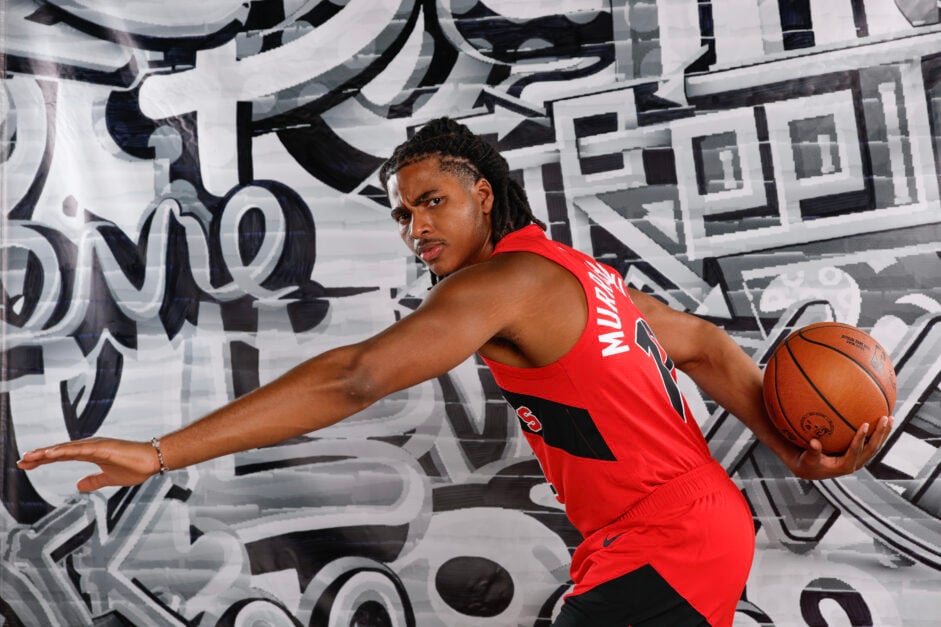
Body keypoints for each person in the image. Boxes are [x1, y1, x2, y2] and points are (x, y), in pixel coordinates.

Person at [17, 117, 893, 626]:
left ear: (484, 192)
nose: (414, 228)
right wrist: (789, 439)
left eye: (431, 201)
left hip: (666, 541)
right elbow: (698, 340)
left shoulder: (506, 283)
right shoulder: (579, 275)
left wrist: (162, 450)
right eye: (402, 214)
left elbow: (356, 377)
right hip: (681, 532)